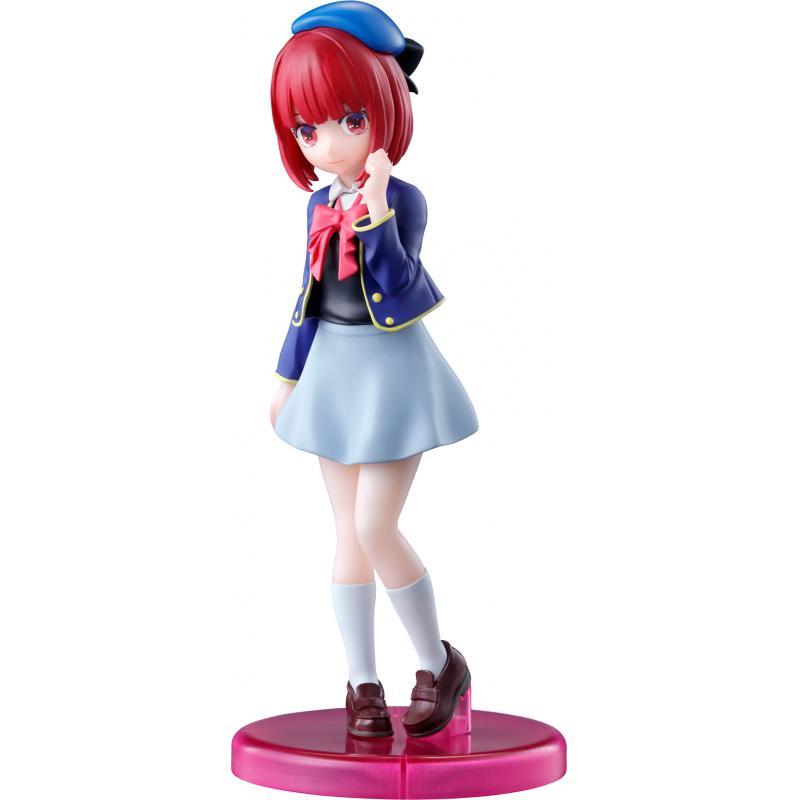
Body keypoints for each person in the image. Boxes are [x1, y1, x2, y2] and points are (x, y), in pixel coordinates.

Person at [268, 1, 478, 738]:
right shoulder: (317, 206)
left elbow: (404, 283)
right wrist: (287, 376)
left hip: (391, 377)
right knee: (348, 535)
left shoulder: (404, 201)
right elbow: (307, 296)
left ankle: (438, 663)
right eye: (308, 128)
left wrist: (379, 209)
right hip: (332, 369)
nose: (328, 143)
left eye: (350, 120)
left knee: (375, 523)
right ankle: (362, 683)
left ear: (384, 113)